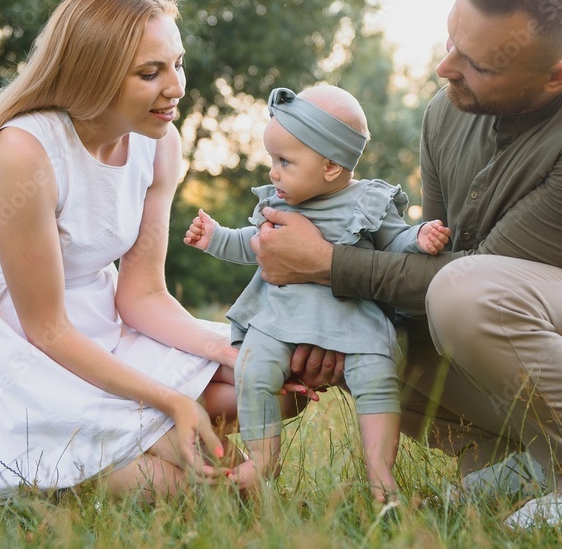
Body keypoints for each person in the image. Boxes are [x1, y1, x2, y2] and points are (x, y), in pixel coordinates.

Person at [248, 0, 562, 528]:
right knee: (362, 329)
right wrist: (326, 318)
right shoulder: (447, 111)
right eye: (451, 41)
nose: (445, 69)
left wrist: (325, 265)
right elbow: (427, 260)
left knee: (462, 291)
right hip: (516, 327)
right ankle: (520, 468)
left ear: (557, 76)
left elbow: (463, 277)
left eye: (480, 64)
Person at [0, 0, 245, 513]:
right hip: (16, 342)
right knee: (193, 492)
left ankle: (119, 448)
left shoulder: (160, 143)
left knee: (254, 376)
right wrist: (171, 399)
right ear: (93, 76)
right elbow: (47, 328)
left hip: (101, 315)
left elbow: (143, 294)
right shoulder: (24, 152)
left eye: (178, 63)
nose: (176, 87)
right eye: (150, 73)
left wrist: (231, 352)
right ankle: (55, 478)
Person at [184, 85, 451, 503]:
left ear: (330, 166)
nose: (273, 172)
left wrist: (420, 237)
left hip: (352, 318)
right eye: (272, 160)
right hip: (280, 318)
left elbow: (395, 243)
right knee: (252, 370)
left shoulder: (368, 200)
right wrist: (214, 237)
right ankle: (262, 458)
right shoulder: (279, 202)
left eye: (285, 161)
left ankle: (381, 476)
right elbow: (251, 244)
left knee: (377, 382)